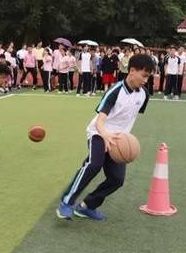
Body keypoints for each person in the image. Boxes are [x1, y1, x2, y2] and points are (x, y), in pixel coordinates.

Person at [57, 54, 153, 221]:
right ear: (131, 71)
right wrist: (106, 135)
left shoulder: (144, 94)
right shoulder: (114, 91)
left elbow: (129, 117)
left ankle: (87, 206)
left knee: (117, 179)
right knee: (94, 164)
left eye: (148, 76)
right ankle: (67, 201)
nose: (146, 80)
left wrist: (125, 140)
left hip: (118, 139)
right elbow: (100, 121)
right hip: (99, 133)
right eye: (144, 75)